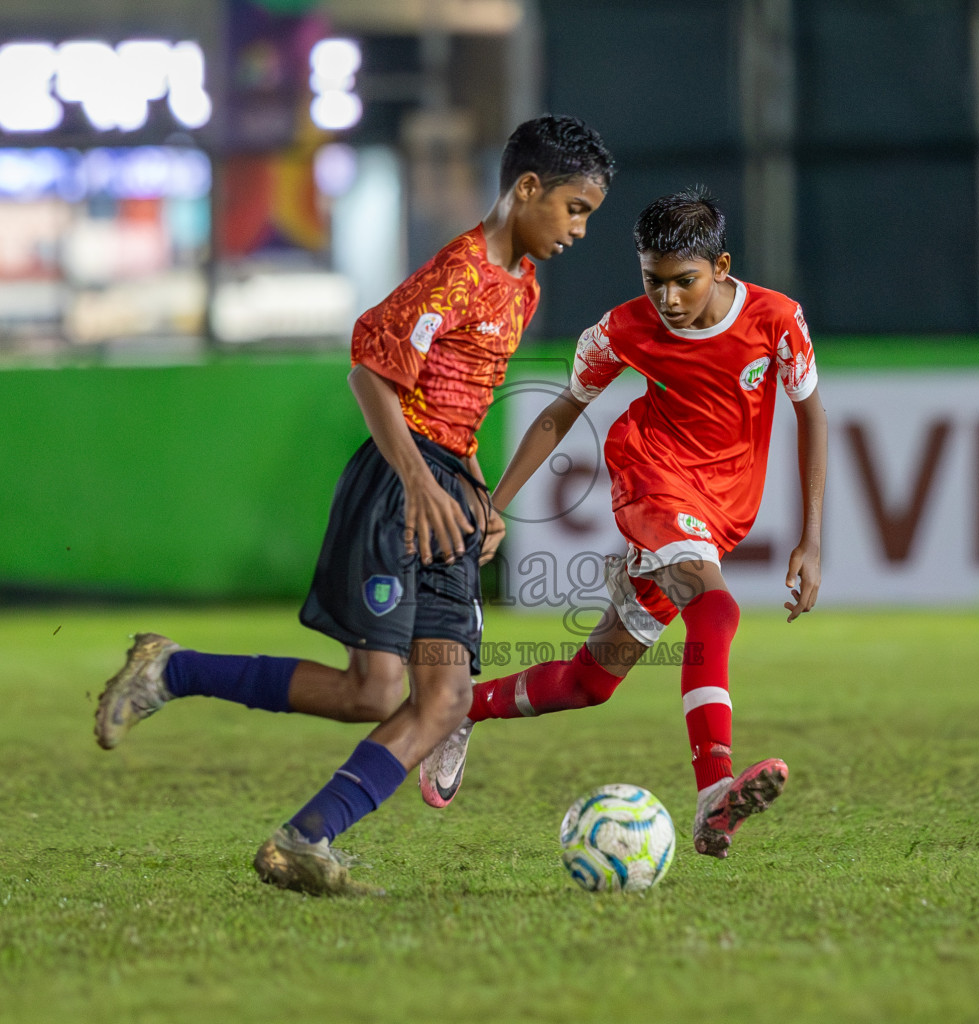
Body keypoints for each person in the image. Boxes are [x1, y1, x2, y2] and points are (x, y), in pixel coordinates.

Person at [92, 115, 613, 895]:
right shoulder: (459, 272)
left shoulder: (523, 287)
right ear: (527, 188)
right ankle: (172, 671)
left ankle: (305, 839)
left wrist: (479, 491)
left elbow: (456, 405)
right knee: (370, 690)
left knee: (443, 701)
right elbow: (370, 373)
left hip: (447, 493)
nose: (578, 228)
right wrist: (415, 478)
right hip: (398, 489)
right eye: (574, 207)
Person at [419, 186, 827, 861]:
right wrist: (495, 507)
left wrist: (811, 539)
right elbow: (561, 411)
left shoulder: (777, 321)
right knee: (714, 607)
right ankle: (713, 791)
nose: (666, 299)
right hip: (652, 481)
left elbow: (810, 414)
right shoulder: (620, 331)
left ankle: (456, 710)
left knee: (591, 682)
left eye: (683, 283)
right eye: (652, 280)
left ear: (720, 267)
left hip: (722, 510)